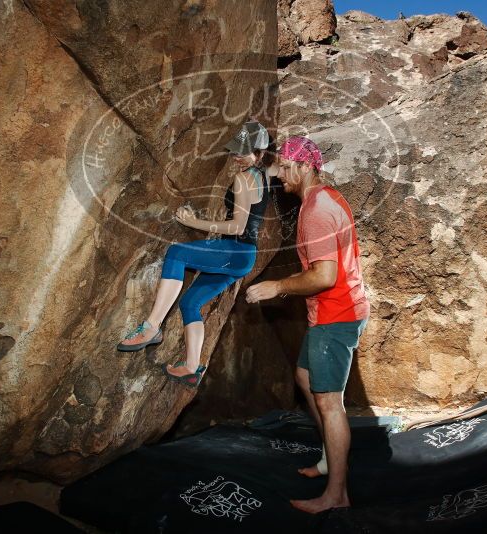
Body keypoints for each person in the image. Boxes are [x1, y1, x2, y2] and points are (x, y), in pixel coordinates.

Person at [245, 136, 370, 514]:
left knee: (330, 404)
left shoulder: (315, 212)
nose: (279, 175)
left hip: (336, 315)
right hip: (334, 312)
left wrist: (276, 287)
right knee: (304, 377)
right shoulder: (327, 197)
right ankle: (331, 458)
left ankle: (337, 496)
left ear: (303, 166)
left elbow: (323, 276)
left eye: (283, 167)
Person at [117, 121, 271, 388]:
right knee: (190, 303)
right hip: (242, 258)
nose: (236, 156)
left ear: (259, 154)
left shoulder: (243, 178)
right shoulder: (263, 175)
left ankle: (152, 326)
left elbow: (237, 226)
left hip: (235, 251)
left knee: (176, 253)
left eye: (243, 152)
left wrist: (193, 223)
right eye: (235, 150)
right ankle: (191, 367)